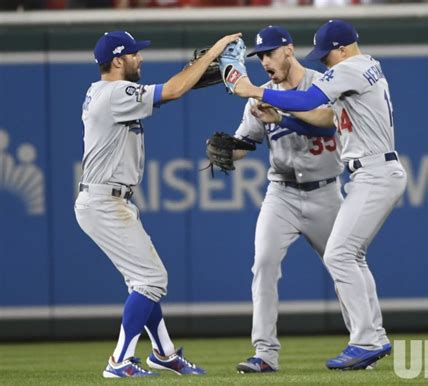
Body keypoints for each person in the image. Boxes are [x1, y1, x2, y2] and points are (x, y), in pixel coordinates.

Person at [231, 19, 407, 370]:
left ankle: (368, 340)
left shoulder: (348, 69)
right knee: (347, 257)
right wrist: (277, 118)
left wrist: (253, 90)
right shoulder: (364, 67)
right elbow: (320, 119)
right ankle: (367, 338)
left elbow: (313, 101)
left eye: (327, 54)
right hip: (308, 186)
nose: (324, 60)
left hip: (365, 174)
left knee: (341, 256)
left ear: (342, 48)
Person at [74, 30, 241, 378]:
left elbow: (173, 88)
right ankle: (119, 361)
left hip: (106, 199)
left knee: (142, 281)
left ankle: (164, 353)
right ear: (118, 60)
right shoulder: (114, 93)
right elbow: (174, 90)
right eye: (135, 54)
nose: (141, 59)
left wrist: (193, 71)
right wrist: (211, 55)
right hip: (105, 201)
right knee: (152, 279)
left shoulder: (102, 91)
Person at [229, 26, 344, 373]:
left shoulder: (323, 83)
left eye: (269, 53)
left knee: (346, 266)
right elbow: (243, 142)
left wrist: (284, 117)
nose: (264, 61)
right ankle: (264, 353)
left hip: (326, 191)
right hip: (281, 193)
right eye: (260, 56)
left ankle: (364, 343)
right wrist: (226, 152)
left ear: (289, 51)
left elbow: (329, 122)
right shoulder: (259, 96)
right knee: (263, 264)